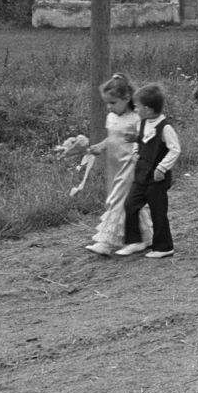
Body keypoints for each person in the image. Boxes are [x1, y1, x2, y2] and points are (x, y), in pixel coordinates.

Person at [116, 83, 181, 258]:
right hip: (141, 173)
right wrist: (136, 151)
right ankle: (135, 241)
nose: (135, 109)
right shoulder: (142, 123)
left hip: (157, 177)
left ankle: (164, 246)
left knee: (157, 210)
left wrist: (162, 168)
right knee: (130, 204)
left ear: (149, 109)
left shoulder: (165, 127)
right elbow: (141, 141)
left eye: (137, 106)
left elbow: (175, 149)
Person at [81, 73, 143, 256]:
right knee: (129, 202)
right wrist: (100, 146)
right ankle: (145, 237)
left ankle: (106, 243)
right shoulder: (111, 117)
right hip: (115, 166)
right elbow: (112, 138)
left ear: (127, 98)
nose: (109, 106)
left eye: (113, 102)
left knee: (116, 201)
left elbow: (146, 139)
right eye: (107, 103)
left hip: (130, 165)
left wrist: (137, 149)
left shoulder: (136, 118)